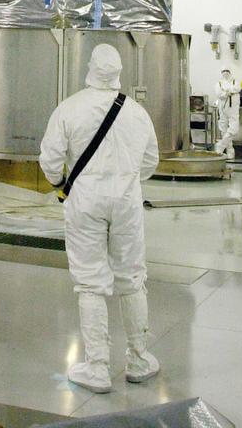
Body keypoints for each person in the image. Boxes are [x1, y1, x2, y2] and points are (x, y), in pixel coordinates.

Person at [39, 44, 160, 394]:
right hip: (127, 200)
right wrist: (125, 180)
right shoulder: (137, 112)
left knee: (91, 282)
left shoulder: (69, 108)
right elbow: (150, 162)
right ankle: (139, 360)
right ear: (119, 72)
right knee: (132, 278)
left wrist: (62, 184)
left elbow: (50, 160)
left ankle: (96, 368)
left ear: (90, 68)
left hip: (85, 199)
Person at [215, 69, 240, 160]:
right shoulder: (219, 83)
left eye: (227, 71)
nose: (225, 73)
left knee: (234, 128)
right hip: (222, 108)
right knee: (223, 129)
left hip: (233, 108)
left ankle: (221, 145)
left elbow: (237, 88)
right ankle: (230, 151)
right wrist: (227, 93)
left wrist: (227, 91)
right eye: (223, 71)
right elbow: (219, 93)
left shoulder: (235, 81)